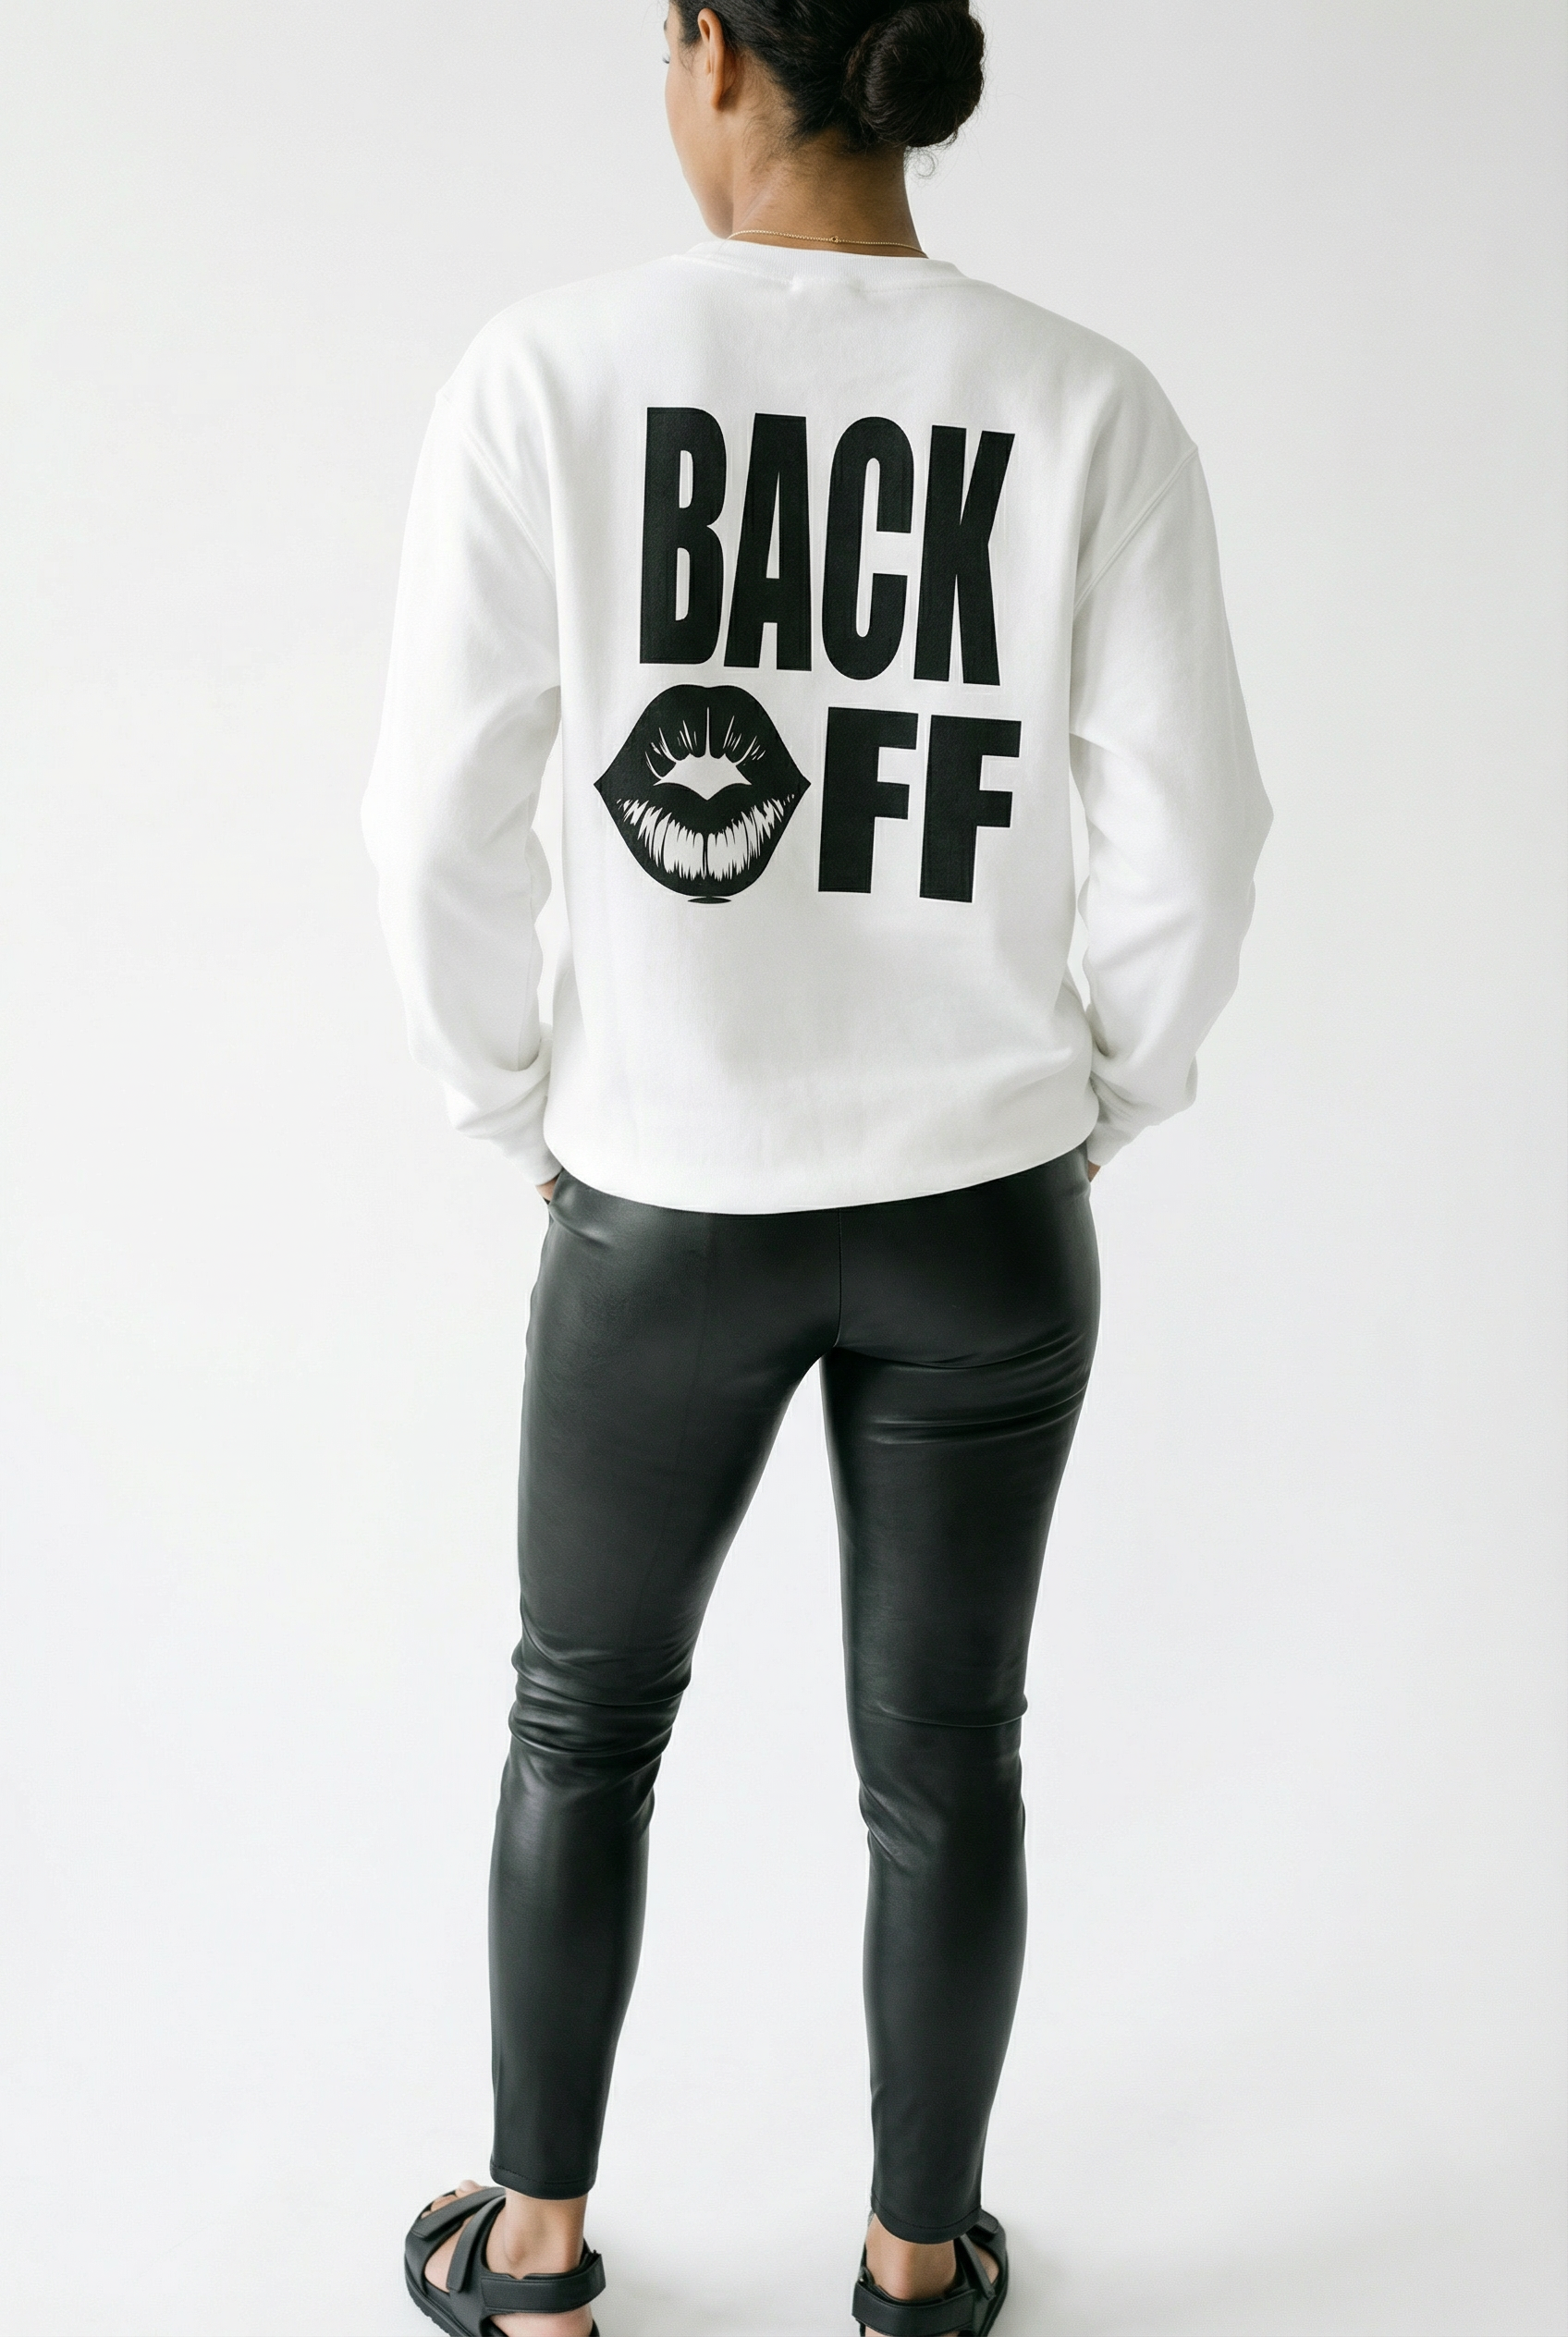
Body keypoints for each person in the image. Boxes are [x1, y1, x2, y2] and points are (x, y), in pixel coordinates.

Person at [363, 4, 1272, 2331]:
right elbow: (1195, 841)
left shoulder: (551, 374)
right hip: (985, 1212)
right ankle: (914, 2264)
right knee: (948, 1757)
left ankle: (534, 2256)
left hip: (659, 1200)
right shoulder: (1084, 403)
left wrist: (520, 1112)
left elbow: (432, 824)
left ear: (710, 53)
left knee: (582, 1722)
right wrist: (1092, 1106)